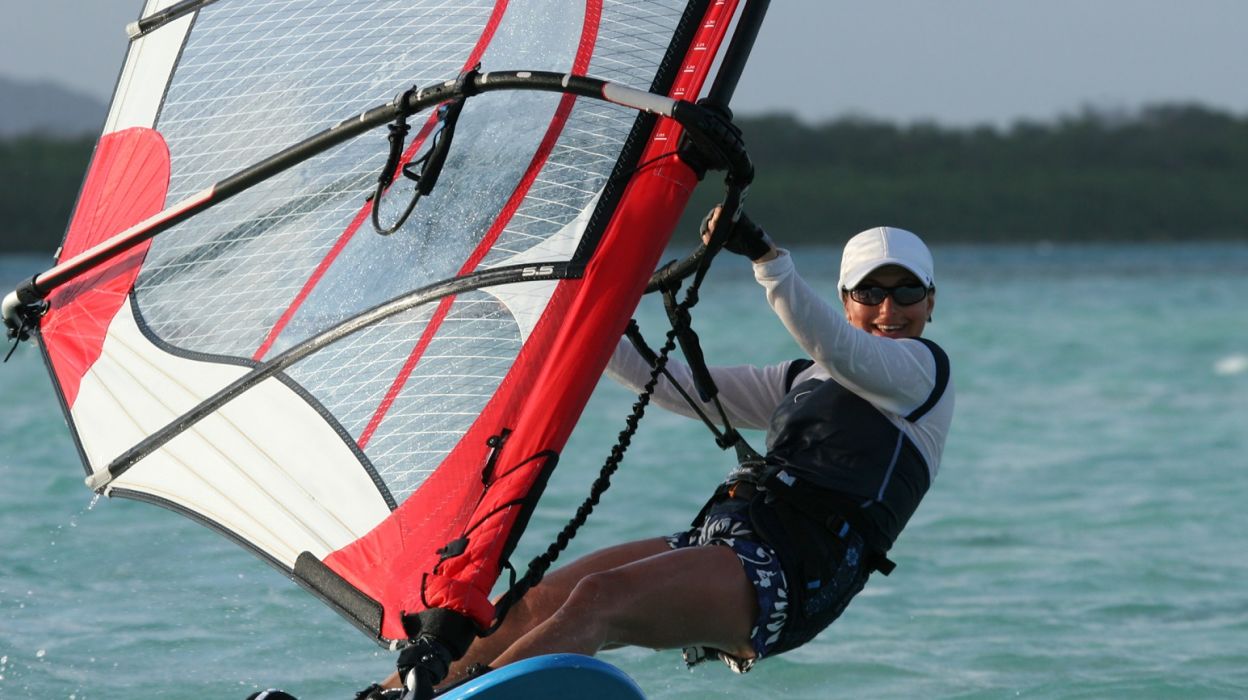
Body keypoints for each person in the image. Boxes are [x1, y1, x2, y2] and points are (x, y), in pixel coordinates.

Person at [373, 209, 953, 694]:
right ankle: (395, 693)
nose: (888, 309)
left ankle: (464, 696)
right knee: (535, 600)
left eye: (906, 292)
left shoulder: (922, 374)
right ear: (848, 299)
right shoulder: (803, 378)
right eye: (870, 292)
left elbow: (842, 348)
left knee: (599, 600)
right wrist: (582, 311)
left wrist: (770, 262)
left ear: (930, 303)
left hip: (795, 571)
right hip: (729, 536)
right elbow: (670, 383)